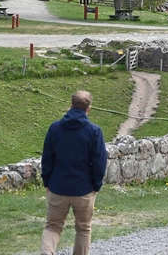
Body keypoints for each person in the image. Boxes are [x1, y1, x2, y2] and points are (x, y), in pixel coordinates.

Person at [40, 90, 108, 255]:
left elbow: (47, 158)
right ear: (89, 109)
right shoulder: (94, 131)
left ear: (70, 105)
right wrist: (96, 185)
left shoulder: (55, 128)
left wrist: (47, 181)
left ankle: (47, 252)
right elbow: (99, 162)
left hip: (58, 186)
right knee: (83, 228)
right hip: (84, 189)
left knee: (53, 226)